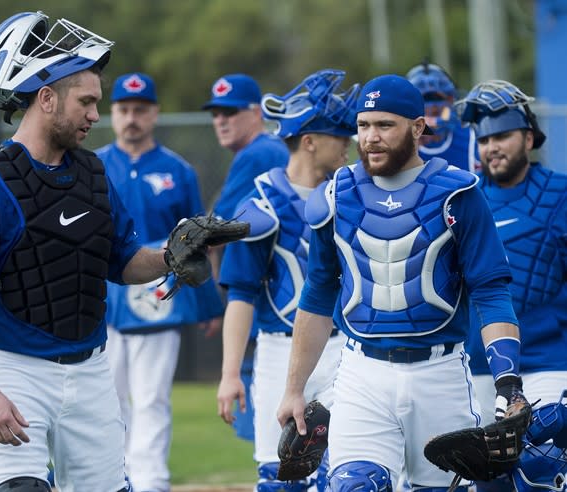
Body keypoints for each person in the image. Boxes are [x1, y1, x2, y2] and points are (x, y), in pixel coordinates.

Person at [0, 12, 184, 491]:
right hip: (14, 371)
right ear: (46, 99)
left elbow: (124, 261)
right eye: (86, 102)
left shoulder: (94, 173)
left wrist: (173, 254)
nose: (96, 114)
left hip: (92, 373)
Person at [275, 74, 529, 491]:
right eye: (363, 126)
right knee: (353, 485)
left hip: (441, 372)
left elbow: (491, 291)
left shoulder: (458, 193)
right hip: (363, 373)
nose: (371, 137)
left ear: (417, 127)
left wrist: (507, 383)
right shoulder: (336, 196)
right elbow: (318, 293)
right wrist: (293, 389)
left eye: (384, 125)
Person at [216, 69, 357, 492]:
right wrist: (229, 374)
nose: (349, 144)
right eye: (339, 136)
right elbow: (241, 294)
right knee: (280, 478)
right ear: (310, 140)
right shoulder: (261, 204)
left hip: (346, 351)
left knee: (347, 476)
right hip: (279, 350)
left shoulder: (351, 195)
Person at [95, 72, 223, 492]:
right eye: (124, 110)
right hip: (103, 303)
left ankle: (150, 482)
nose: (131, 118)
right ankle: (110, 479)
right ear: (112, 113)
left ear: (154, 113)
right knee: (105, 402)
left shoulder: (177, 170)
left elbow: (198, 242)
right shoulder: (94, 165)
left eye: (140, 110)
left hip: (159, 301)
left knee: (151, 399)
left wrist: (207, 306)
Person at [455, 80, 567, 490]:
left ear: (528, 136)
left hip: (549, 362)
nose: (491, 148)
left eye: (501, 136)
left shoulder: (561, 194)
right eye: (483, 140)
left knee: (538, 467)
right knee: (482, 478)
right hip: (476, 368)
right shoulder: (462, 200)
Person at [203, 73, 290, 441]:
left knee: (272, 426)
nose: (221, 120)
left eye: (231, 111)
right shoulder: (270, 149)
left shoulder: (258, 153)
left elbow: (213, 231)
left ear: (257, 112)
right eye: (216, 113)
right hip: (288, 292)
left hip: (272, 298)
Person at [406, 61, 480, 173]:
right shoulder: (399, 144)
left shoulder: (473, 136)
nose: (433, 107)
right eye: (424, 100)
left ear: (451, 100)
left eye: (437, 98)